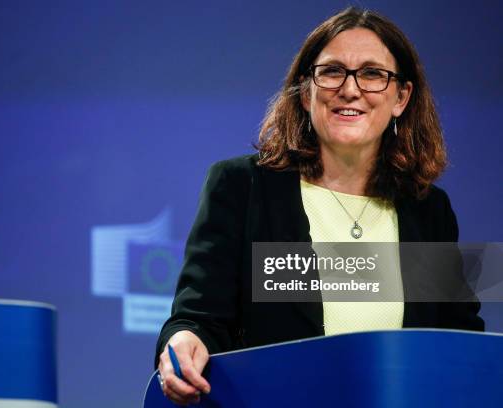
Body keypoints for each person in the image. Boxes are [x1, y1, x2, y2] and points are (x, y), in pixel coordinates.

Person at [154, 7, 484, 406]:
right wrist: (185, 341)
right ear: (306, 91)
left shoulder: (427, 210)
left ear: (401, 97)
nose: (350, 89)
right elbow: (199, 317)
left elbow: (460, 340)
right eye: (331, 72)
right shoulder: (244, 187)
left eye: (373, 74)